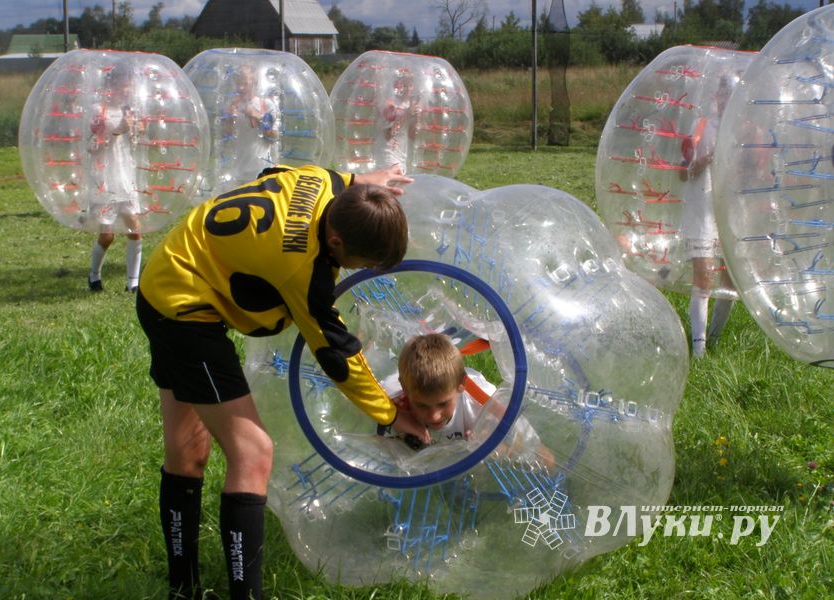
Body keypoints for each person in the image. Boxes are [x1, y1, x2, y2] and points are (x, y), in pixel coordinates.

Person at [135, 163, 428, 600]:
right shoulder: (302, 269)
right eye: (359, 262)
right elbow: (336, 353)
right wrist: (390, 413)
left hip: (166, 275)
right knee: (253, 454)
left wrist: (363, 184)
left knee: (188, 451)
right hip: (183, 310)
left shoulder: (322, 179)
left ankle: (182, 588)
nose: (355, 271)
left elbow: (274, 171)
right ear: (335, 242)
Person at [381, 333, 553, 466]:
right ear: (404, 388)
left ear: (461, 385)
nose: (434, 416)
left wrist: (502, 450)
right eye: (421, 405)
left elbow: (547, 459)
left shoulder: (487, 404)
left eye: (443, 404)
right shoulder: (390, 401)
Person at [679, 75, 737, 357]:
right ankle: (699, 350)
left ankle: (714, 338)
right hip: (701, 211)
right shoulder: (701, 127)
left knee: (731, 282)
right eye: (723, 94)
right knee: (703, 280)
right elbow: (681, 171)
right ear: (716, 97)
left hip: (732, 213)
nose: (726, 100)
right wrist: (704, 160)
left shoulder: (745, 129)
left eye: (733, 94)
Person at [86, 66, 145, 293]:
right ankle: (94, 275)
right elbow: (92, 146)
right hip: (105, 176)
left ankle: (133, 282)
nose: (127, 90)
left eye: (129, 85)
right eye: (123, 84)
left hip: (124, 173)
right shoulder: (98, 111)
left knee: (135, 228)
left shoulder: (128, 110)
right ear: (111, 87)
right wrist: (115, 131)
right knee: (107, 235)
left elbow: (134, 143)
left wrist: (136, 130)